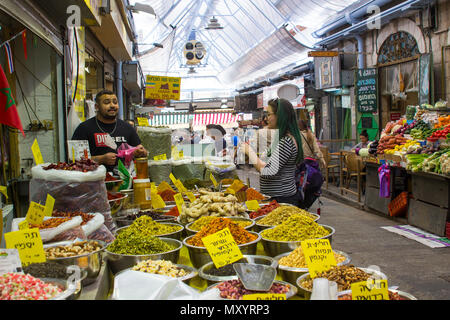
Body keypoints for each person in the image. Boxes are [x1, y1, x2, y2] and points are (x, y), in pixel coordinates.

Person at [241, 98, 303, 206]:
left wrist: (249, 152)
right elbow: (267, 163)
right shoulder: (279, 138)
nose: (266, 118)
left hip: (282, 199)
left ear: (280, 116)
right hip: (274, 197)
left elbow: (268, 171)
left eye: (269, 114)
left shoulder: (286, 141)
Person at [71, 89, 148, 171]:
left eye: (115, 102)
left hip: (125, 180)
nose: (112, 105)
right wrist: (101, 159)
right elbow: (75, 160)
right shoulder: (84, 128)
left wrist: (141, 152)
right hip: (94, 180)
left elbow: (138, 150)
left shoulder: (127, 128)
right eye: (107, 102)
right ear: (97, 107)